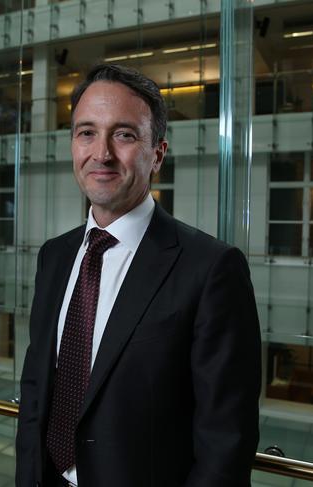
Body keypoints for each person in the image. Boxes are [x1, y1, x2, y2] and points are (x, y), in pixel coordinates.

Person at [16, 64, 261, 487]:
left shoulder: (211, 268)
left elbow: (226, 440)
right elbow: (38, 390)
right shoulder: (54, 256)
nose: (102, 154)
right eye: (86, 132)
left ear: (158, 154)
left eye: (124, 135)